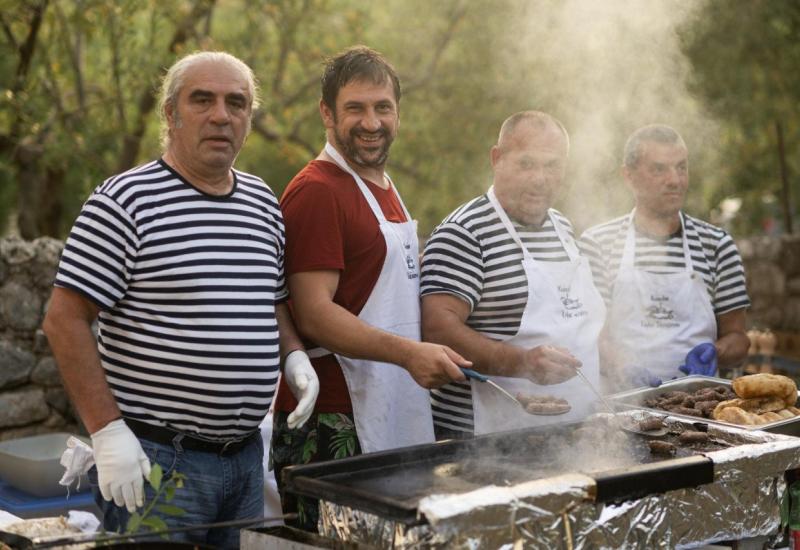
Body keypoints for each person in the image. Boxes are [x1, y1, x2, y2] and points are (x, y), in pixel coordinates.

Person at [42, 51, 318, 549]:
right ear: (170, 114)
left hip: (243, 460)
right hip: (157, 465)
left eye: (237, 103)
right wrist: (107, 432)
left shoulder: (261, 203)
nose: (221, 115)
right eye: (202, 100)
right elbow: (64, 320)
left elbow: (271, 302)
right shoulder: (124, 201)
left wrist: (293, 354)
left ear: (248, 121)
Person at [270, 45, 470, 530]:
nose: (371, 122)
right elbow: (315, 313)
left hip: (393, 405)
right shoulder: (319, 190)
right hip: (336, 420)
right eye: (355, 108)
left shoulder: (384, 185)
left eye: (383, 107)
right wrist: (409, 353)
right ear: (326, 113)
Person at [420, 111, 605, 439]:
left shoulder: (561, 225)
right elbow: (437, 329)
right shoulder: (463, 232)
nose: (540, 178)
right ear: (497, 159)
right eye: (527, 164)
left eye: (552, 165)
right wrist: (523, 362)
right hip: (483, 438)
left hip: (573, 432)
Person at [579, 124, 750, 390]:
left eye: (681, 167)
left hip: (699, 406)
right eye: (659, 169)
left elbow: (738, 337)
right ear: (629, 176)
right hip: (617, 408)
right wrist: (621, 367)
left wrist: (716, 352)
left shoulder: (717, 245)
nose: (675, 180)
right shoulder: (598, 244)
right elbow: (586, 335)